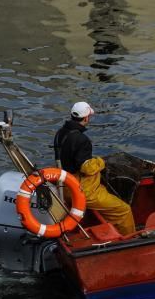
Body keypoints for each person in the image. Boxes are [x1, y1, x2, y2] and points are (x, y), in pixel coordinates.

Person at [53, 101, 135, 235]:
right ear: (86, 118)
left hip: (64, 185)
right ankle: (130, 239)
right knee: (123, 210)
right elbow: (87, 168)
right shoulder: (81, 139)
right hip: (82, 189)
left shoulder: (60, 133)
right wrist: (100, 162)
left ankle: (111, 232)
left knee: (106, 193)